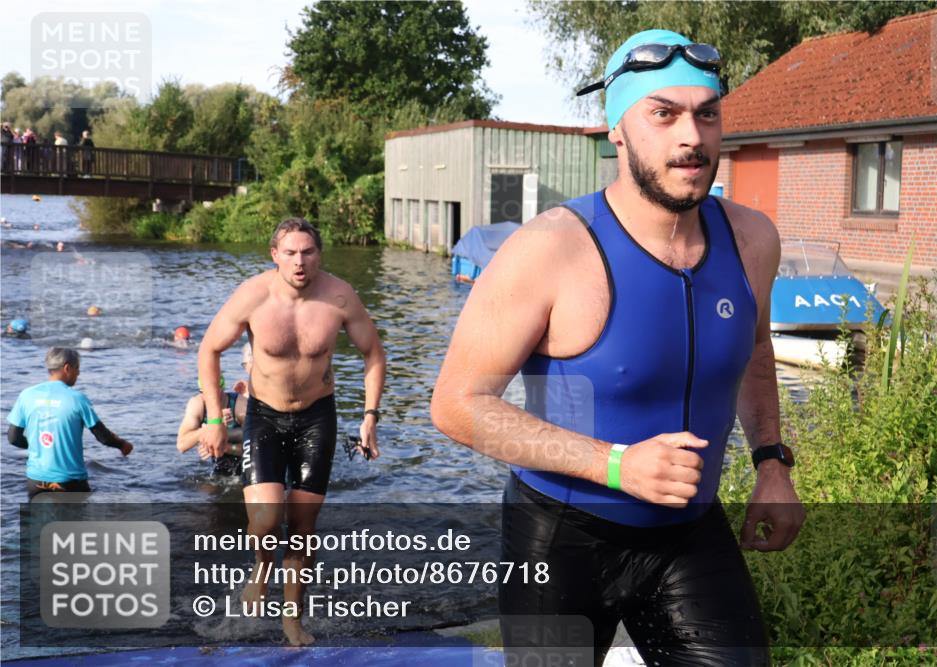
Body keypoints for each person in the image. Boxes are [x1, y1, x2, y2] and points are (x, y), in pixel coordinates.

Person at [431, 29, 805, 666]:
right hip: (560, 537)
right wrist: (616, 466)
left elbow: (756, 355)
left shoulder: (752, 239)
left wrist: (771, 460)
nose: (690, 136)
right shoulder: (551, 247)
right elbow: (457, 405)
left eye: (705, 113)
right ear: (619, 130)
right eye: (663, 114)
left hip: (688, 529)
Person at [198, 217, 386, 646]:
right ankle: (262, 568)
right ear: (275, 256)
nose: (300, 262)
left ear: (319, 254)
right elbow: (209, 349)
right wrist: (212, 418)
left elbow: (373, 352)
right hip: (264, 415)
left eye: (308, 252)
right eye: (291, 253)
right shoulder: (252, 296)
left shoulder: (339, 296)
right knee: (265, 522)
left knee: (302, 528)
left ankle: (291, 620)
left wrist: (370, 416)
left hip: (317, 418)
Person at [7, 347, 134, 500]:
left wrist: (37, 446)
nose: (78, 373)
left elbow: (14, 438)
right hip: (70, 481)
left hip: (36, 480)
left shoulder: (26, 395)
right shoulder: (77, 398)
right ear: (67, 368)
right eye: (77, 368)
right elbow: (103, 437)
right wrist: (123, 445)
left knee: (39, 521)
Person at [176, 372, 247, 478]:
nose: (209, 397)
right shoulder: (197, 404)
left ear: (222, 388)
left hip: (249, 464)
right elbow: (182, 445)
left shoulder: (240, 404)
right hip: (221, 468)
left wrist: (223, 447)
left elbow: (261, 447)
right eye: (204, 392)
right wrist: (211, 428)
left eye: (213, 392)